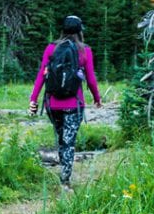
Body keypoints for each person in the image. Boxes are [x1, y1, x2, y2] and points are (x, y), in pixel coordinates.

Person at [29, 15, 102, 190]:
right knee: (69, 142)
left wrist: (33, 99)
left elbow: (42, 74)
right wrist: (97, 98)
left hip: (52, 104)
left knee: (61, 139)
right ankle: (65, 181)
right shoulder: (85, 50)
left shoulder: (51, 48)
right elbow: (91, 79)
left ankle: (63, 174)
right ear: (80, 31)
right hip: (74, 104)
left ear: (63, 30)